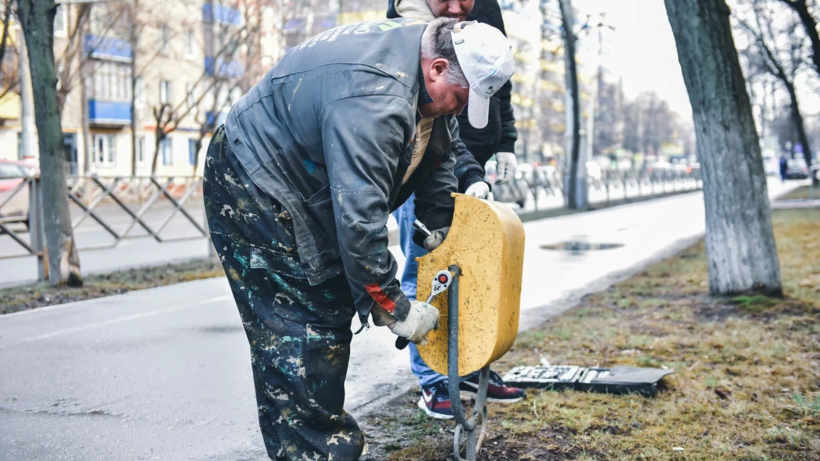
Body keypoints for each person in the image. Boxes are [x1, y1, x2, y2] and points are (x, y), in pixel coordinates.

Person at [203, 17, 515, 461]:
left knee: (328, 309)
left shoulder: (425, 64)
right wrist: (396, 308)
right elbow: (360, 221)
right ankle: (316, 452)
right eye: (460, 97)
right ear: (438, 68)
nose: (459, 108)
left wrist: (438, 226)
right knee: (306, 330)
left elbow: (437, 149)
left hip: (304, 180)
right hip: (255, 184)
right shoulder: (375, 101)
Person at [387, 0, 526, 420]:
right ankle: (432, 382)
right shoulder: (409, 26)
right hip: (424, 160)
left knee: (474, 270)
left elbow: (498, 77)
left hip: (469, 163)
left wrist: (505, 143)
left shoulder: (485, 9)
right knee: (428, 266)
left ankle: (467, 366)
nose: (455, 8)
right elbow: (439, 128)